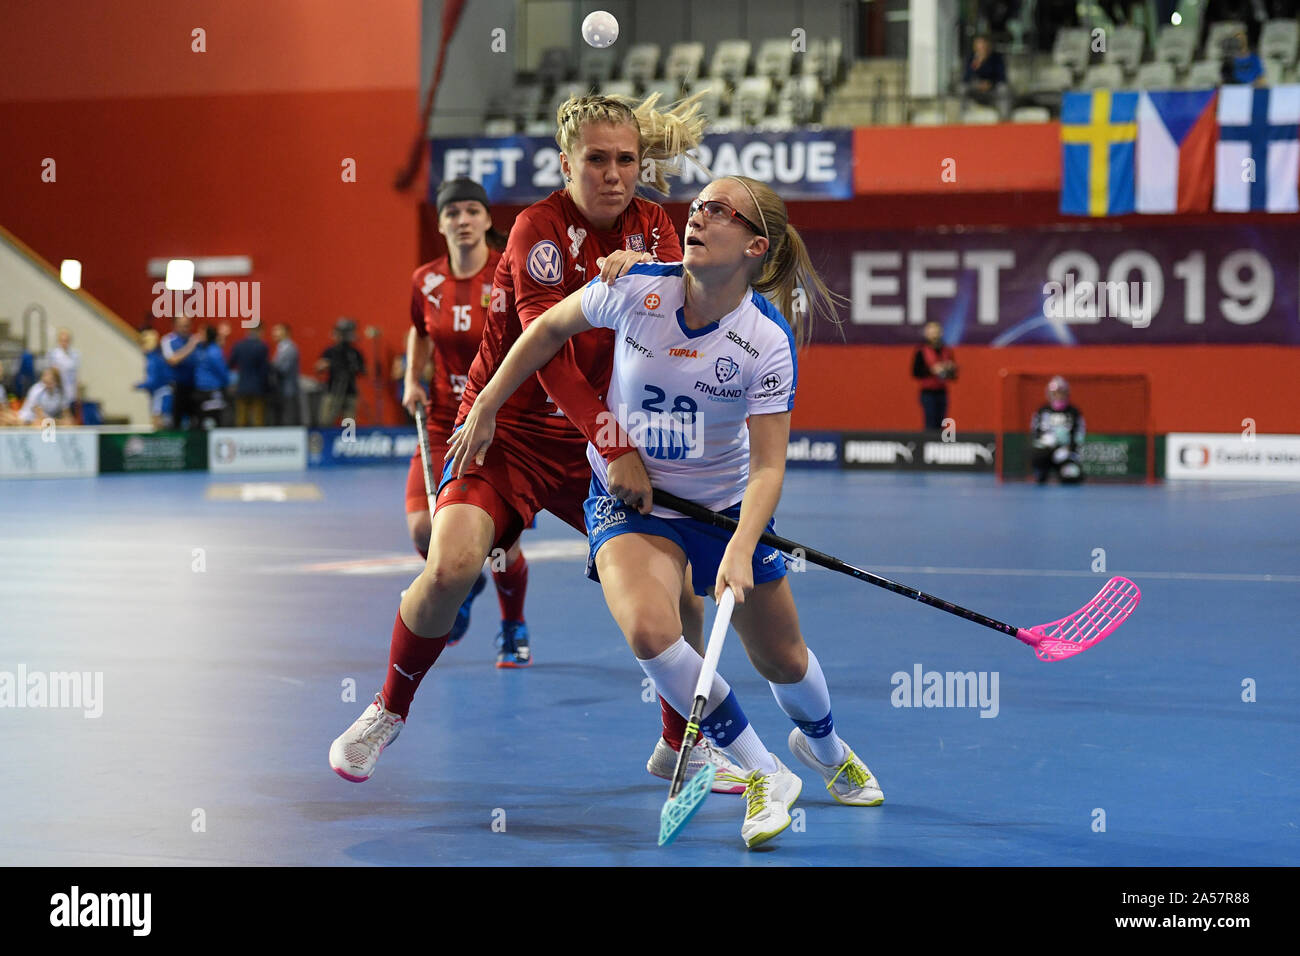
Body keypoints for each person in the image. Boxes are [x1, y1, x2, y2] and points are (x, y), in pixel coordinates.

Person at [328, 91, 749, 794]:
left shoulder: (655, 228)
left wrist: (651, 275)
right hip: (511, 431)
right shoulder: (536, 230)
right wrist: (613, 445)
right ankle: (387, 710)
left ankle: (682, 744)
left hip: (597, 444)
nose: (614, 175)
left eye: (626, 161)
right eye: (596, 161)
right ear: (565, 164)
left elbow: (680, 322)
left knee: (679, 594)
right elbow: (547, 351)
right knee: (451, 564)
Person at [449, 175, 879, 849]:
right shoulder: (637, 288)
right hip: (635, 506)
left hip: (722, 510)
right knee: (651, 632)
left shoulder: (764, 341)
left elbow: (768, 465)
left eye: (718, 211)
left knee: (783, 660)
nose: (697, 216)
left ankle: (824, 750)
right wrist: (488, 403)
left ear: (754, 245)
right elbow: (545, 332)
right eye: (697, 205)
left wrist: (741, 546)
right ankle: (762, 770)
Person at [404, 178, 527, 656]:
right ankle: (463, 584)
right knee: (422, 527)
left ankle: (513, 627)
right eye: (452, 212)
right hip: (441, 421)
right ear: (440, 223)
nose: (463, 221)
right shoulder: (425, 281)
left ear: (486, 219)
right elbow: (418, 331)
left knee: (500, 548)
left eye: (472, 211)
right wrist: (412, 379)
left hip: (495, 421)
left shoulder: (507, 273)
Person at [1031, 376, 1086, 484]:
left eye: (1061, 393)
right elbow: (1035, 432)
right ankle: (1042, 471)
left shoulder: (1074, 412)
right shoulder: (1042, 411)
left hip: (1065, 452)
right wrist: (1044, 441)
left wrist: (1069, 449)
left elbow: (1079, 434)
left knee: (1071, 476)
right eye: (1055, 393)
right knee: (1038, 463)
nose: (1059, 396)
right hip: (1046, 452)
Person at [316, 319, 365, 426]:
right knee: (326, 421)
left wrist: (353, 367)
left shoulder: (353, 352)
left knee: (349, 423)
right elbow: (319, 366)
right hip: (333, 390)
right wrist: (327, 365)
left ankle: (348, 440)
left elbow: (362, 369)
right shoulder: (331, 351)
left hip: (350, 391)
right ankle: (326, 440)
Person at [911, 321, 957, 431]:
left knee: (942, 422)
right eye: (932, 332)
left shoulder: (946, 350)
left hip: (942, 392)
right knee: (930, 423)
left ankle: (939, 446)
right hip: (928, 393)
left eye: (937, 332)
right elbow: (916, 372)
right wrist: (932, 370)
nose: (935, 335)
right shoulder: (921, 351)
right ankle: (928, 445)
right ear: (927, 334)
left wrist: (949, 369)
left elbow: (953, 376)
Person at [161, 314, 203, 429]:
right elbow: (172, 360)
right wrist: (190, 347)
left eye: (187, 326)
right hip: (177, 388)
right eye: (182, 326)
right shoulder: (168, 340)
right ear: (175, 326)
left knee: (197, 423)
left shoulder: (195, 340)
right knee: (176, 423)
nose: (186, 329)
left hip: (194, 387)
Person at [228, 325, 272, 427]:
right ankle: (257, 441)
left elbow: (230, 364)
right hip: (258, 388)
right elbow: (265, 370)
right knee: (258, 420)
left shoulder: (238, 346)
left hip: (242, 386)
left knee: (241, 420)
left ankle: (240, 442)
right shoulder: (262, 347)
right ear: (260, 331)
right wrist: (267, 387)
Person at [961, 34, 1010, 120]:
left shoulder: (997, 58)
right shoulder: (971, 59)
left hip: (992, 89)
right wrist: (976, 64)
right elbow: (966, 78)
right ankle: (961, 118)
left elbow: (1002, 77)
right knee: (962, 88)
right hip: (976, 89)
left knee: (1003, 88)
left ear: (988, 46)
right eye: (979, 45)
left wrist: (990, 84)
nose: (981, 48)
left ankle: (1004, 119)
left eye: (983, 45)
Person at [134, 329, 174, 430]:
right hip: (163, 394)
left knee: (159, 425)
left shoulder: (153, 360)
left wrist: (139, 385)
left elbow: (154, 381)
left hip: (161, 395)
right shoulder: (157, 357)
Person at [193, 325, 230, 429]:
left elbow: (222, 371)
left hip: (212, 391)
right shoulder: (200, 349)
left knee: (213, 420)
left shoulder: (214, 351)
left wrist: (224, 385)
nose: (198, 336)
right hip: (200, 391)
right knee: (200, 421)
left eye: (201, 334)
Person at [270, 323, 301, 425]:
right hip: (281, 389)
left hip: (288, 389)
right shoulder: (281, 348)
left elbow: (283, 369)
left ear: (286, 333)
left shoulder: (290, 348)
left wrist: (269, 366)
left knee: (288, 417)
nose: (274, 333)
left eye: (277, 330)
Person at [47, 328, 81, 412]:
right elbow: (51, 374)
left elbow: (75, 375)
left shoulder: (75, 355)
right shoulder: (53, 354)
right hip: (58, 391)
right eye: (62, 340)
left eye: (66, 340)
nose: (64, 343)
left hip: (70, 391)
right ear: (58, 341)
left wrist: (77, 392)